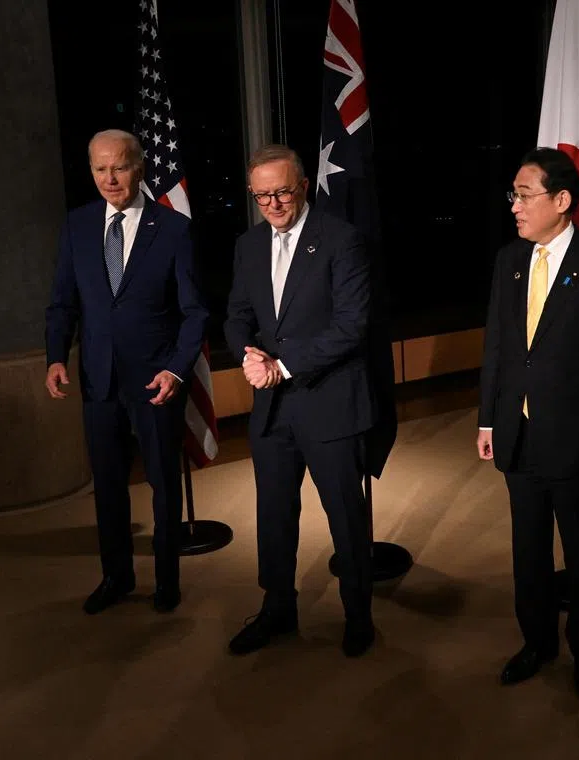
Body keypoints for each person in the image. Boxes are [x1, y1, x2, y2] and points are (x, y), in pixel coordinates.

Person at [477, 147, 579, 700]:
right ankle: (537, 643)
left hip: (577, 440)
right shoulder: (509, 260)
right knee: (528, 553)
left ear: (563, 200)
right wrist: (487, 420)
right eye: (514, 195)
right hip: (517, 434)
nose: (515, 206)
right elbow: (498, 348)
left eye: (525, 195)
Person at [45, 128, 208, 615]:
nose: (109, 178)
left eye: (118, 167)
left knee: (163, 484)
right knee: (109, 487)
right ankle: (116, 577)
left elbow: (194, 312)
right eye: (100, 168)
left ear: (139, 168)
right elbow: (62, 302)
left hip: (156, 381)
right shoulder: (77, 225)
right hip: (98, 380)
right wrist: (56, 355)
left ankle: (167, 582)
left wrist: (176, 370)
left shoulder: (173, 229)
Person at [224, 144, 377, 658]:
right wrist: (247, 355)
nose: (272, 204)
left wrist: (282, 366)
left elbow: (352, 325)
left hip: (329, 401)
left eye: (282, 192)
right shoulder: (248, 245)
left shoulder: (341, 240)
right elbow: (237, 315)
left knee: (345, 516)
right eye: (261, 195)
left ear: (304, 186)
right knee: (273, 513)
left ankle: (358, 616)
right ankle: (277, 609)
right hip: (272, 409)